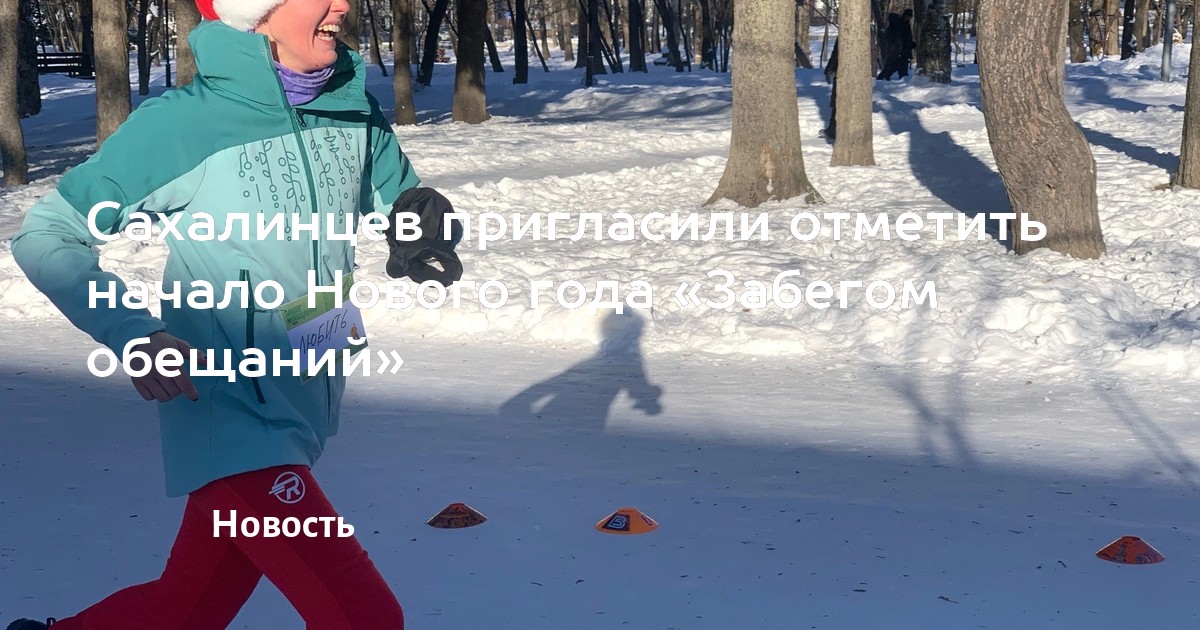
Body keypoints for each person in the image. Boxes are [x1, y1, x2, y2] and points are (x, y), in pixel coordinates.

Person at [6, 0, 443, 627]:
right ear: (257, 11)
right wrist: (133, 332)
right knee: (363, 616)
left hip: (303, 403)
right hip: (230, 409)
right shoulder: (187, 123)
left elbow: (398, 200)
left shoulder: (351, 107)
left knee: (186, 611)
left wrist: (422, 225)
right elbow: (47, 233)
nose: (343, 4)